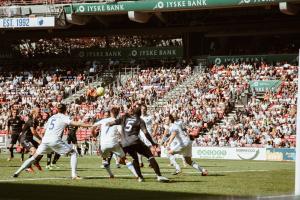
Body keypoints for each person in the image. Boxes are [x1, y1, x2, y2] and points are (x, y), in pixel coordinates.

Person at [13, 104, 92, 179]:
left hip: (45, 140)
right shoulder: (64, 117)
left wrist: (43, 140)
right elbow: (75, 123)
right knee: (73, 152)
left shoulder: (52, 117)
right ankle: (74, 175)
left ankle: (17, 172)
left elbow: (43, 131)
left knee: (33, 157)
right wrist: (90, 125)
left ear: (57, 109)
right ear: (65, 110)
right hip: (54, 140)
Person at [107, 104, 169, 182]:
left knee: (134, 158)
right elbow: (146, 133)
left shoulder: (124, 118)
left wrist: (106, 125)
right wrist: (153, 142)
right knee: (149, 155)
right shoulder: (140, 120)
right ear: (140, 113)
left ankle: (140, 177)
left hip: (125, 144)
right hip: (135, 140)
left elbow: (111, 123)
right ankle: (159, 176)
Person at [92, 106, 137, 178]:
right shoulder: (118, 122)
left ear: (110, 113)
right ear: (118, 113)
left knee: (104, 159)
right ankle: (136, 175)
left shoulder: (103, 120)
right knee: (124, 159)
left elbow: (93, 126)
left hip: (103, 144)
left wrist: (93, 134)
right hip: (113, 143)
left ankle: (111, 175)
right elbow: (121, 133)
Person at [19, 108, 43, 172]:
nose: (40, 113)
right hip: (25, 138)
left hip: (30, 138)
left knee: (42, 149)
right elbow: (33, 132)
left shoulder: (36, 121)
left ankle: (36, 162)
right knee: (34, 151)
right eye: (39, 112)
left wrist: (41, 139)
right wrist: (40, 139)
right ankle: (27, 167)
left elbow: (38, 129)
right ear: (34, 113)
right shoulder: (31, 120)